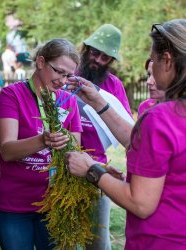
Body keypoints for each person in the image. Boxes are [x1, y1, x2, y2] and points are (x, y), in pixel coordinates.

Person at [65, 19, 186, 250]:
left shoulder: (160, 117)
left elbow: (140, 203)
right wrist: (97, 101)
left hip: (159, 240)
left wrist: (91, 168)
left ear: (167, 61)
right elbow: (142, 142)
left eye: (154, 59)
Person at [0, 38, 82, 249]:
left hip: (55, 203)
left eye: (68, 75)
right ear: (40, 62)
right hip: (13, 205)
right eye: (59, 71)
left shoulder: (69, 101)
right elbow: (8, 150)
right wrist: (43, 140)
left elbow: (76, 151)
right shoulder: (12, 95)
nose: (63, 81)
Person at [76, 23, 132, 250]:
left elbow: (127, 129)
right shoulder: (66, 74)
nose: (98, 60)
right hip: (56, 167)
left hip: (96, 170)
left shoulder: (114, 86)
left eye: (105, 57)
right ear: (85, 47)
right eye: (95, 52)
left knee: (97, 243)